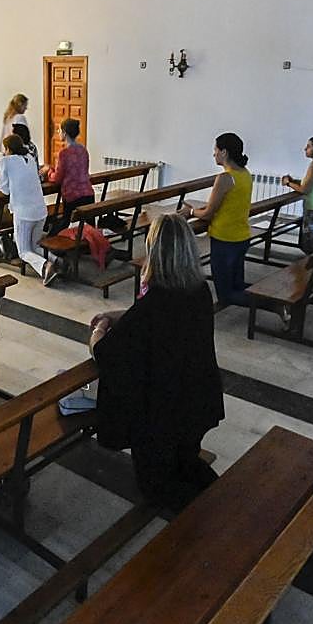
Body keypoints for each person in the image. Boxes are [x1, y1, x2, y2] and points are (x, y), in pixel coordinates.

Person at [90, 214, 223, 511]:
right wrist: (118, 315)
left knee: (157, 488)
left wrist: (99, 329)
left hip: (164, 414)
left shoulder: (156, 303)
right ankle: (223, 503)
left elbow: (106, 353)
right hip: (197, 400)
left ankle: (214, 521)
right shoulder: (199, 291)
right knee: (187, 462)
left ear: (154, 252)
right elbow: (157, 322)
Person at [183, 132, 252, 307]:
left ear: (224, 152)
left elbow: (208, 213)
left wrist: (190, 212)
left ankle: (272, 303)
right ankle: (268, 300)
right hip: (242, 236)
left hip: (225, 239)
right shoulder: (245, 173)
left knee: (225, 294)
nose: (214, 153)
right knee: (237, 285)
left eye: (215, 149)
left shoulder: (225, 178)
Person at [0, 134, 58, 285]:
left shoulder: (5, 161)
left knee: (24, 251)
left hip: (24, 213)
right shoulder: (30, 158)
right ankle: (58, 261)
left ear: (8, 149)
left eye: (5, 149)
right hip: (40, 211)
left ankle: (46, 267)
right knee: (35, 246)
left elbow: (4, 190)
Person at [281, 135, 313, 253]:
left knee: (312, 247)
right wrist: (294, 181)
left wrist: (288, 183)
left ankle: (311, 265)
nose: (305, 149)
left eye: (308, 146)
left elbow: (305, 189)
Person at [44, 118, 95, 235]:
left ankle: (52, 240)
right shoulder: (83, 150)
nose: (58, 133)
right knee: (89, 228)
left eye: (59, 130)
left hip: (72, 196)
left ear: (65, 133)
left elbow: (57, 179)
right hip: (88, 193)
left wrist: (49, 171)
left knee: (65, 223)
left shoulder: (64, 153)